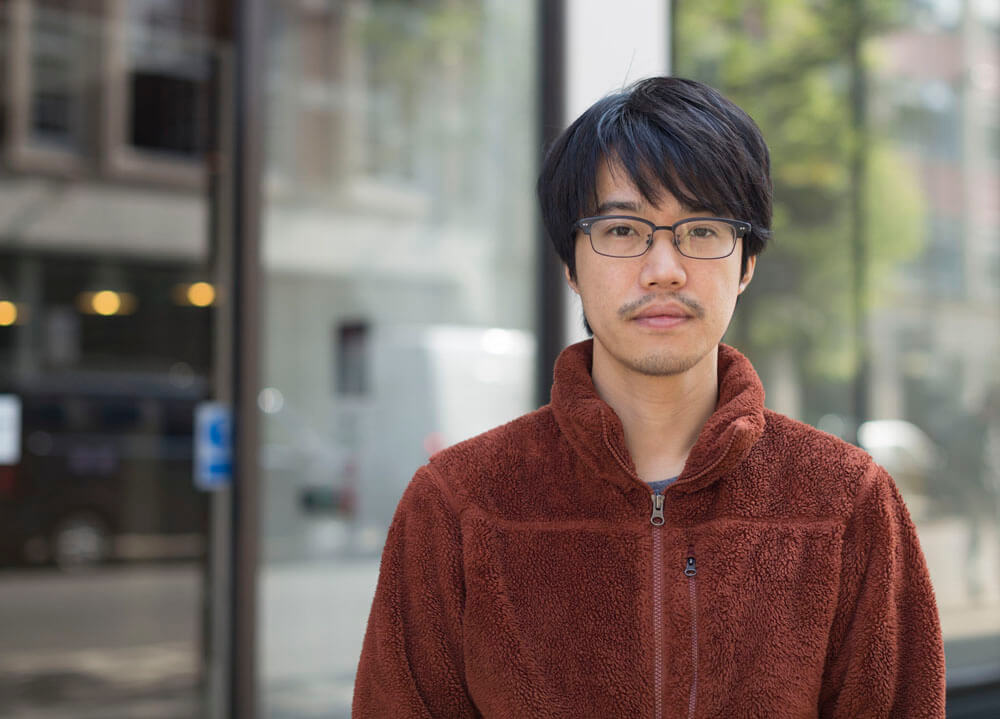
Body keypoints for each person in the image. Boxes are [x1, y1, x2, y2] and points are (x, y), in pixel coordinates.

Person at [353, 77, 945, 718]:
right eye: (622, 229)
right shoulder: (460, 504)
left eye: (702, 229)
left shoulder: (843, 500)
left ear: (746, 263)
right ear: (570, 264)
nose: (664, 268)